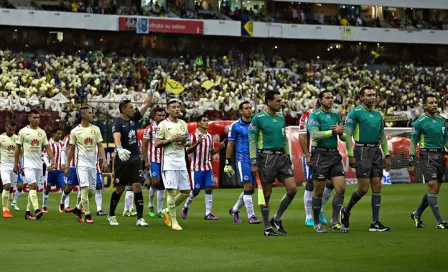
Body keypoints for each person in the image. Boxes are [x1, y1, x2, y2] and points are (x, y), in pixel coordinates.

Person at [341, 86, 391, 232]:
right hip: (361, 150)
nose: (372, 97)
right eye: (369, 95)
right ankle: (346, 210)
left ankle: (375, 222)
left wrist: (386, 154)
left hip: (376, 150)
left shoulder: (377, 114)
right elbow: (348, 134)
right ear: (361, 97)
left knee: (377, 186)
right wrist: (350, 154)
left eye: (374, 95)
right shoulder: (355, 112)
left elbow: (382, 136)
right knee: (363, 188)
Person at [249, 90, 297, 236]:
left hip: (281, 158)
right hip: (267, 158)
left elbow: (284, 139)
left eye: (280, 100)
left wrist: (288, 156)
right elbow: (252, 140)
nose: (280, 103)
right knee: (266, 193)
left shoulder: (281, 118)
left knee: (293, 189)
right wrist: (254, 161)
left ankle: (276, 218)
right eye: (277, 101)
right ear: (269, 102)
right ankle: (266, 227)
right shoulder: (258, 118)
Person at [107, 88, 153, 227]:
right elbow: (116, 137)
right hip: (123, 160)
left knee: (137, 186)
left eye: (133, 107)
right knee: (119, 188)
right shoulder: (117, 123)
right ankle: (111, 215)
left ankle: (140, 218)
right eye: (131, 108)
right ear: (123, 110)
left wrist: (151, 89)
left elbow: (146, 104)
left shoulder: (133, 119)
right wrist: (119, 148)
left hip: (135, 160)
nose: (134, 109)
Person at [307, 91, 348, 233]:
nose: (331, 100)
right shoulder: (314, 115)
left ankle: (334, 221)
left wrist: (341, 132)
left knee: (341, 188)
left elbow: (343, 138)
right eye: (327, 98)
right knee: (318, 191)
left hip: (334, 155)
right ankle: (317, 223)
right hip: (319, 156)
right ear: (320, 100)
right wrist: (333, 132)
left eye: (332, 98)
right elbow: (314, 134)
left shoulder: (336, 116)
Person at [409, 94, 448, 229]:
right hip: (427, 156)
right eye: (431, 103)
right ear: (425, 106)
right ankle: (440, 221)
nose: (434, 105)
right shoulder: (419, 122)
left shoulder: (442, 121)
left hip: (441, 155)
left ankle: (417, 213)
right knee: (432, 186)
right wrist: (411, 162)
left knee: (435, 190)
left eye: (436, 102)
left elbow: (446, 140)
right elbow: (413, 142)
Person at [66, 106, 107, 224]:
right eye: (89, 113)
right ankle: (88, 215)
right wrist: (68, 165)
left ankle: (77, 209)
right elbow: (71, 149)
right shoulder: (75, 131)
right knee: (84, 189)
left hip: (93, 165)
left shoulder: (96, 129)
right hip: (81, 164)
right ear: (83, 115)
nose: (92, 115)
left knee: (92, 191)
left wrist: (104, 160)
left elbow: (100, 145)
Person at [155, 99, 192, 231]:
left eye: (178, 107)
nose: (177, 109)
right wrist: (171, 139)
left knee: (186, 192)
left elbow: (188, 142)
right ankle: (174, 221)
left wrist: (184, 141)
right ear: (168, 110)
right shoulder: (163, 125)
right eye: (174, 107)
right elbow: (157, 143)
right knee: (171, 192)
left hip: (181, 162)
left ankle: (166, 210)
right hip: (169, 163)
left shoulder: (183, 123)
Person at [14, 110, 56, 220]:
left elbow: (47, 148)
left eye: (38, 117)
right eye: (34, 117)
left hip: (38, 164)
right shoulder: (23, 132)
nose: (37, 119)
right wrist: (16, 164)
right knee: (32, 186)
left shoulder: (42, 132)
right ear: (29, 118)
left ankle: (28, 212)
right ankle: (37, 210)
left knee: (34, 188)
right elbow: (18, 149)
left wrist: (53, 161)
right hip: (27, 164)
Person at [181, 115, 225, 220]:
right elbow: (187, 151)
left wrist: (219, 148)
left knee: (209, 188)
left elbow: (211, 152)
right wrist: (197, 143)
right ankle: (185, 207)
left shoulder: (209, 136)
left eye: (207, 120)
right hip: (196, 167)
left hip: (207, 166)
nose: (206, 122)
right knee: (196, 191)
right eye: (204, 121)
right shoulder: (192, 136)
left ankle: (208, 213)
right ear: (198, 123)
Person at [299, 101, 334, 227]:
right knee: (310, 183)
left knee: (330, 183)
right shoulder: (306, 116)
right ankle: (309, 216)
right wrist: (307, 155)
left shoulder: (330, 116)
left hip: (327, 156)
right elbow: (302, 137)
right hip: (312, 155)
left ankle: (320, 210)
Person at [225, 101, 261, 224]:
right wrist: (227, 162)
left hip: (255, 159)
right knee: (247, 186)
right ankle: (252, 216)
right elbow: (230, 144)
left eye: (250, 108)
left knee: (251, 190)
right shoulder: (235, 126)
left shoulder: (255, 124)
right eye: (246, 108)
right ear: (240, 111)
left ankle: (234, 210)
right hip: (242, 158)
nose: (249, 110)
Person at [142, 107, 166, 218]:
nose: (162, 117)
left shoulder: (168, 127)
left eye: (163, 115)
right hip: (154, 160)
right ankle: (151, 204)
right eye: (159, 115)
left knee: (163, 185)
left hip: (166, 161)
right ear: (154, 117)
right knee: (156, 181)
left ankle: (159, 210)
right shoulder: (149, 129)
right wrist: (146, 160)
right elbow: (144, 144)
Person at [42, 127, 65, 213]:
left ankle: (62, 205)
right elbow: (44, 156)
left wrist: (64, 165)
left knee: (64, 187)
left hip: (59, 170)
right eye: (57, 134)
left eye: (60, 134)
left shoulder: (62, 144)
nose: (59, 135)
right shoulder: (48, 144)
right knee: (48, 189)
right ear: (54, 134)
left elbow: (64, 155)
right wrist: (48, 165)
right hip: (51, 171)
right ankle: (44, 206)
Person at [0, 120, 18, 218]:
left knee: (11, 189)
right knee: (6, 186)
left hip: (14, 166)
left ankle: (8, 209)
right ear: (6, 127)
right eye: (10, 129)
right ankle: (5, 210)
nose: (12, 131)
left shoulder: (17, 138)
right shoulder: (1, 138)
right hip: (4, 166)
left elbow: (21, 153)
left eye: (14, 129)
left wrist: (21, 165)